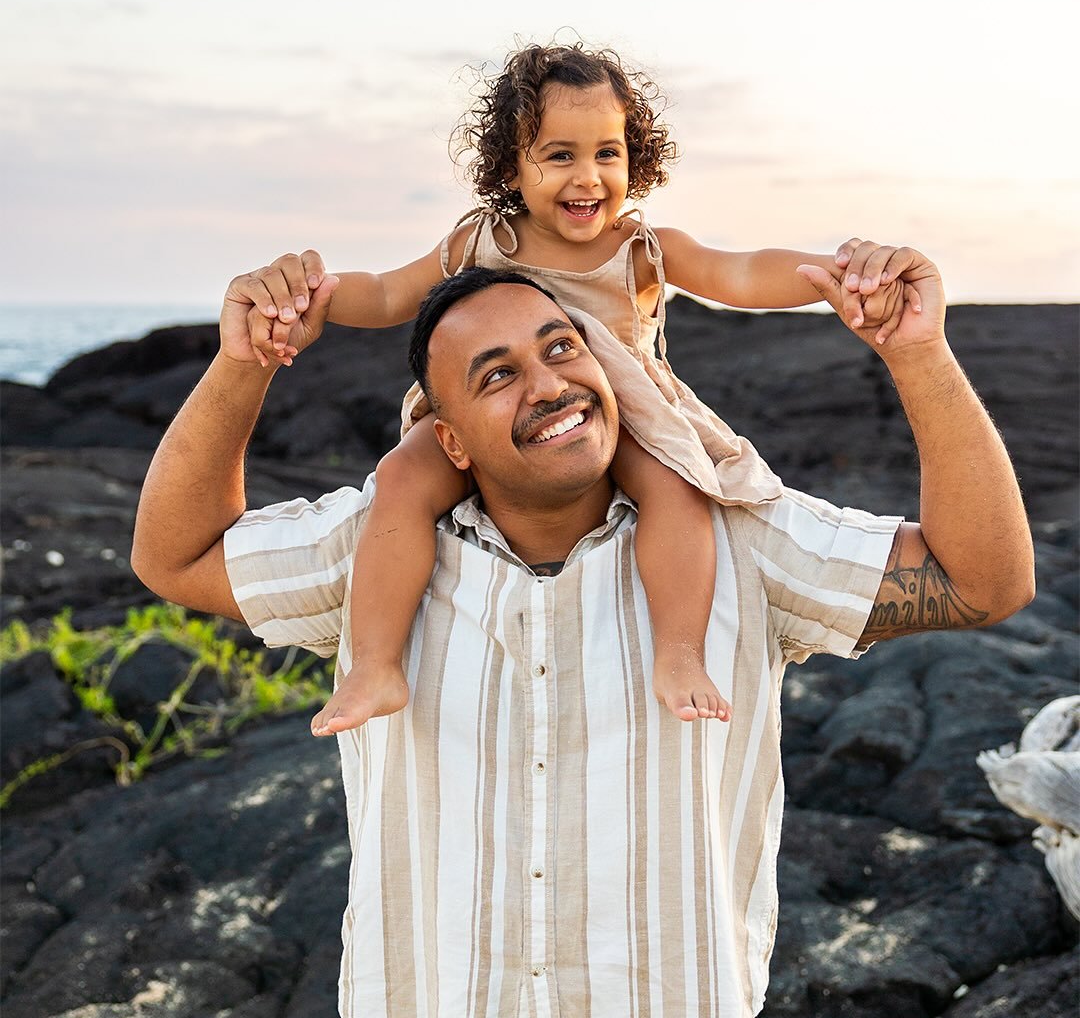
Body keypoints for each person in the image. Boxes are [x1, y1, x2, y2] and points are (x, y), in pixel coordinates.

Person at [131, 244, 1033, 1018]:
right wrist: (244, 362)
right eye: (498, 373)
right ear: (449, 441)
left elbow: (980, 581)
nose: (549, 381)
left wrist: (918, 355)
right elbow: (175, 555)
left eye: (561, 348)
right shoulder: (368, 555)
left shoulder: (742, 544)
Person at [237, 42, 919, 732]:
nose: (587, 177)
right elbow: (386, 294)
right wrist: (308, 298)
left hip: (620, 410)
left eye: (607, 154)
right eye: (559, 155)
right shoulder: (479, 240)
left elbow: (739, 273)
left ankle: (679, 652)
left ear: (635, 157)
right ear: (512, 165)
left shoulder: (641, 249)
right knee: (400, 479)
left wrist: (839, 275)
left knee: (675, 490)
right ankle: (375, 665)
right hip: (498, 416)